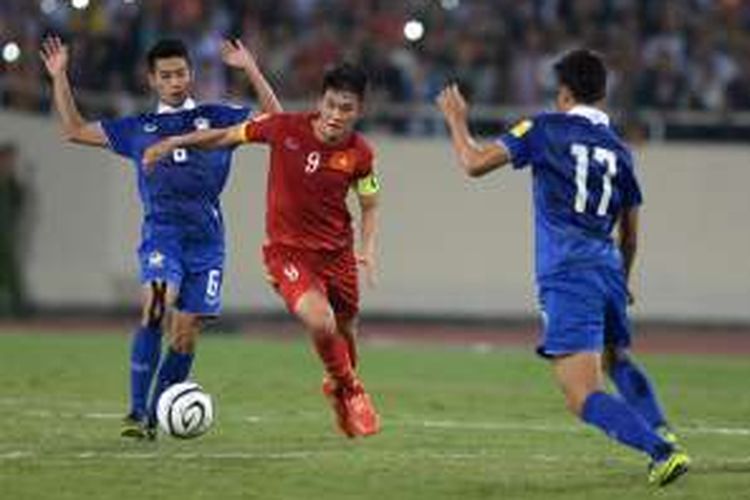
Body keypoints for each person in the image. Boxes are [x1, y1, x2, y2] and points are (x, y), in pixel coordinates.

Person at [436, 49, 690, 486]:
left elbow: (474, 163)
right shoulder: (619, 151)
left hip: (568, 273)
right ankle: (661, 428)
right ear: (602, 94)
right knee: (615, 357)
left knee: (581, 395)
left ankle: (660, 450)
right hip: (608, 269)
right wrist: (622, 282)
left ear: (565, 93)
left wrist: (456, 120)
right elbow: (630, 236)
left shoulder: (544, 128)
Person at [40, 36, 282, 439]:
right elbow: (75, 129)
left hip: (207, 242)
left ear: (191, 74)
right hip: (162, 234)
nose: (175, 81)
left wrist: (251, 68)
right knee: (155, 304)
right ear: (152, 80)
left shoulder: (217, 116)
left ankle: (155, 416)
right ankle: (136, 411)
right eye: (166, 75)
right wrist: (60, 75)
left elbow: (276, 120)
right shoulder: (138, 129)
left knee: (185, 334)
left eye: (181, 73)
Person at [142, 63, 381, 438]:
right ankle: (352, 390)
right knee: (322, 322)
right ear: (321, 101)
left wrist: (367, 248)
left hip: (338, 256)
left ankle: (337, 388)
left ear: (359, 110)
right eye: (331, 104)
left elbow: (369, 202)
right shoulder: (284, 128)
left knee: (347, 329)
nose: (336, 115)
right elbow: (225, 136)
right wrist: (175, 142)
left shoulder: (361, 154)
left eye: (346, 108)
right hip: (289, 255)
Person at [0, 143, 29, 317]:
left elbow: (18, 204)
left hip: (5, 235)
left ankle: (17, 310)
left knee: (10, 273)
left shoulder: (11, 183)